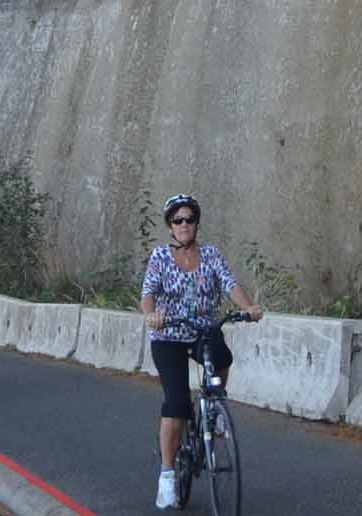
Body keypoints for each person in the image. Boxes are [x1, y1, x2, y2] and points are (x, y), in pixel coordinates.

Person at [140, 193, 262, 511]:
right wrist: (152, 314)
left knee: (223, 358)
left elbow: (229, 283)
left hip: (202, 331)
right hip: (169, 336)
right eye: (178, 220)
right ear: (170, 226)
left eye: (189, 219)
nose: (184, 225)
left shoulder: (210, 255)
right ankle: (168, 474)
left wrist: (248, 307)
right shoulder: (160, 257)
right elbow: (148, 293)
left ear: (196, 224)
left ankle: (212, 406)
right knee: (177, 403)